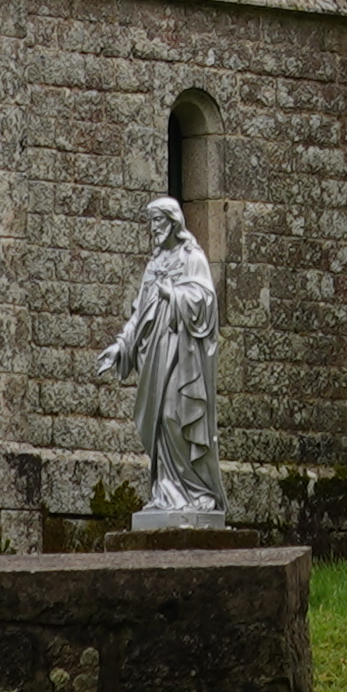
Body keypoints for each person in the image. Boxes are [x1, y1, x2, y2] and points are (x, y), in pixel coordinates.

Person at [97, 193, 224, 526]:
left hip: (182, 354)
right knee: (156, 425)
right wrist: (121, 346)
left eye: (158, 220)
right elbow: (139, 313)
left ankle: (197, 492)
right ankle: (166, 491)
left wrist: (175, 294)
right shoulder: (153, 265)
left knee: (173, 414)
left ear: (173, 221)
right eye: (150, 221)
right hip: (153, 351)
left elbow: (206, 302)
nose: (153, 228)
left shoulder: (191, 256)